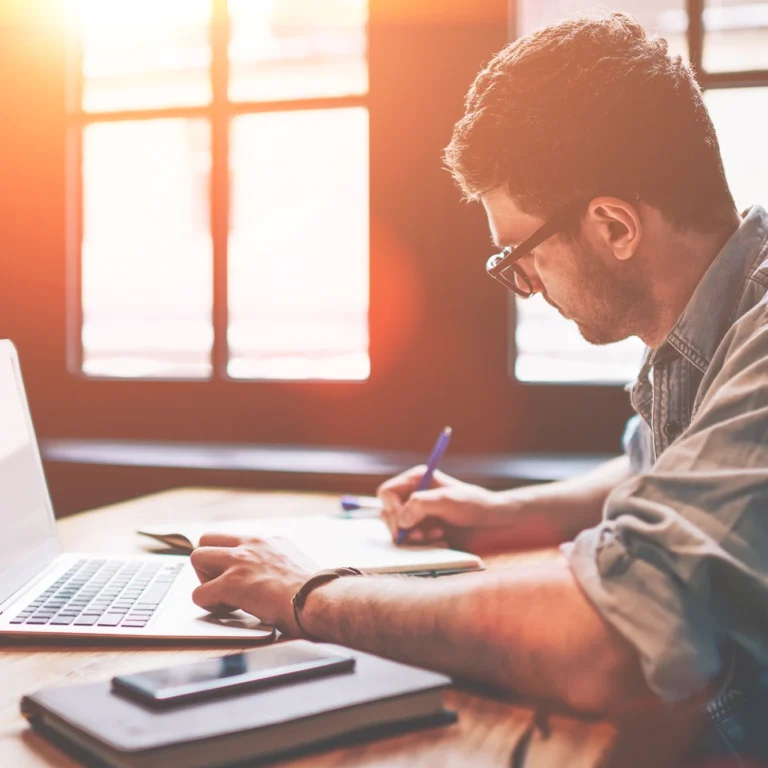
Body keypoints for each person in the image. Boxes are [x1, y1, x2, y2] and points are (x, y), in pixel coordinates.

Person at [190, 12, 768, 759]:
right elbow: (661, 469)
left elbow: (606, 640)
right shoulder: (718, 318)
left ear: (616, 227)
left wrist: (310, 592)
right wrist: (502, 515)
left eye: (516, 253)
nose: (520, 284)